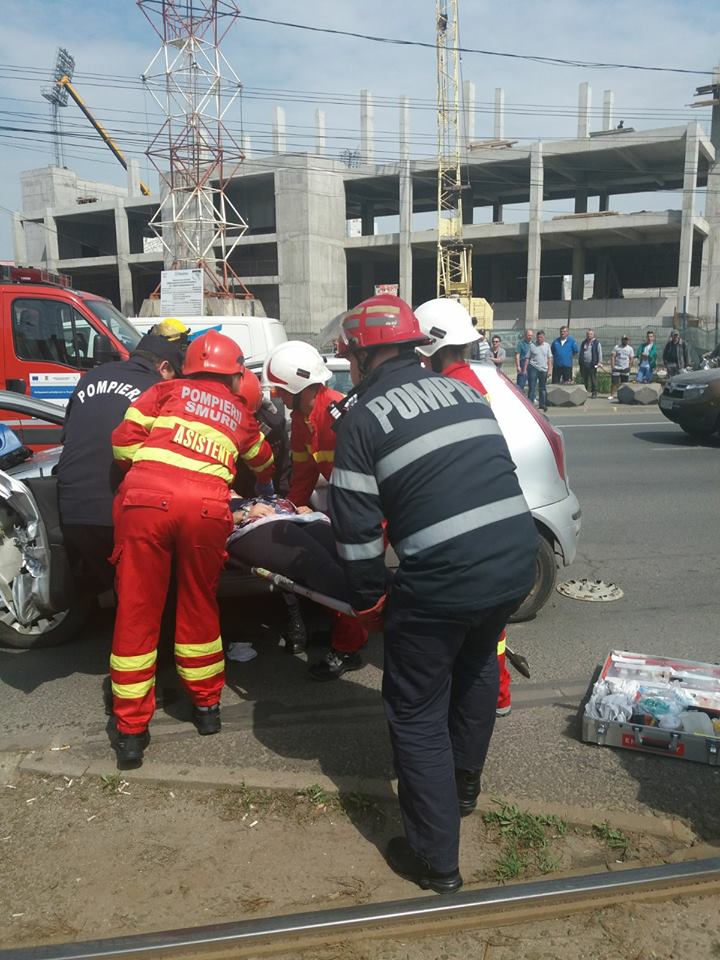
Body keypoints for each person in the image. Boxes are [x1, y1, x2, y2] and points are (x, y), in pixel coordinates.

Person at [330, 293, 538, 894]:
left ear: (364, 358)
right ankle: (464, 787)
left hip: (445, 577)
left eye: (351, 360)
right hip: (515, 561)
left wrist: (369, 596)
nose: (350, 369)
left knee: (416, 711)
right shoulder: (467, 392)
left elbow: (356, 530)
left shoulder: (362, 419)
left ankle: (435, 859)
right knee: (475, 668)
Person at [108, 331, 276, 766]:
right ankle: (206, 709)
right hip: (204, 508)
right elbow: (264, 462)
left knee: (137, 611)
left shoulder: (163, 390)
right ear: (235, 375)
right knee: (198, 603)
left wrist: (157, 468)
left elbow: (122, 443)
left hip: (144, 502)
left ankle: (130, 732)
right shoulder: (240, 412)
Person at [415, 298, 513, 712]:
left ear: (433, 348)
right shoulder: (475, 380)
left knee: (468, 627)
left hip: (466, 520)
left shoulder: (448, 388)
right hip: (497, 514)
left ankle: (484, 698)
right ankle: (499, 696)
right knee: (493, 628)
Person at [262, 340, 368, 680]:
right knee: (337, 572)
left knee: (346, 576)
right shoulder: (303, 418)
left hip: (366, 507)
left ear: (297, 387)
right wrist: (290, 509)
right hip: (347, 504)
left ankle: (348, 649)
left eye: (280, 391)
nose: (277, 398)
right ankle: (347, 632)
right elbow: (303, 474)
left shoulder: (339, 414)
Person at [57, 334, 184, 593]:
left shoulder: (92, 377)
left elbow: (68, 435)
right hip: (118, 513)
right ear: (164, 367)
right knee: (146, 596)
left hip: (70, 510)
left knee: (121, 591)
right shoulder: (158, 389)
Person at [527, 330, 552, 410]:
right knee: (532, 387)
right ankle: (530, 405)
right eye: (538, 337)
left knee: (542, 388)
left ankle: (542, 404)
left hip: (543, 369)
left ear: (544, 337)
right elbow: (527, 358)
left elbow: (549, 358)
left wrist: (550, 369)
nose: (539, 339)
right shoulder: (532, 345)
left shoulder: (547, 345)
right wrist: (524, 369)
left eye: (541, 337)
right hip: (533, 367)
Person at [578, 329, 602, 398]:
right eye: (588, 334)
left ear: (593, 335)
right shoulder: (584, 342)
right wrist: (580, 362)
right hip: (584, 364)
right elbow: (581, 352)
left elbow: (599, 353)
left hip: (593, 364)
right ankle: (585, 392)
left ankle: (594, 392)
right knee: (584, 379)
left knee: (593, 379)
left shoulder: (597, 343)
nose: (589, 335)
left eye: (591, 334)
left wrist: (599, 362)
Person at [609, 335, 634, 400]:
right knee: (614, 382)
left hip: (625, 368)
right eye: (623, 339)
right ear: (621, 340)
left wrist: (629, 367)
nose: (625, 341)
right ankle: (612, 395)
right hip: (617, 367)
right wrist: (612, 366)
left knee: (624, 383)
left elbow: (631, 358)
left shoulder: (630, 348)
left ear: (628, 340)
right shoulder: (617, 347)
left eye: (626, 339)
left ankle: (623, 395)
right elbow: (613, 356)